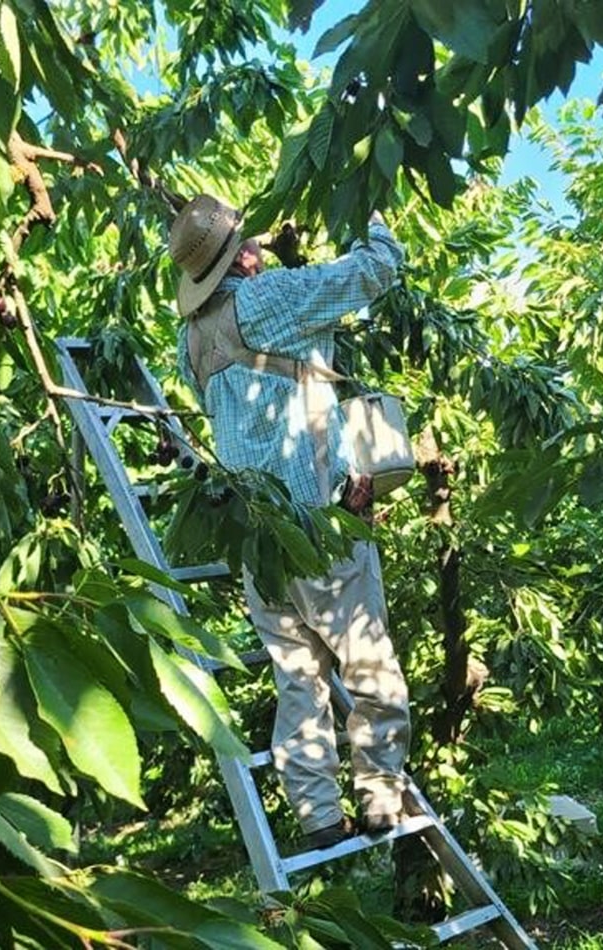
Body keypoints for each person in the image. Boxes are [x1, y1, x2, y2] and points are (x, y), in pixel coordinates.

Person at [169, 194, 410, 849]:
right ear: (239, 258)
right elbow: (373, 271)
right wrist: (371, 206)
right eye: (246, 242)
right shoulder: (267, 299)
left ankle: (318, 818)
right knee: (373, 675)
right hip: (318, 528)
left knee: (298, 682)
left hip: (257, 542)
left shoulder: (192, 338)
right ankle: (381, 803)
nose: (257, 246)